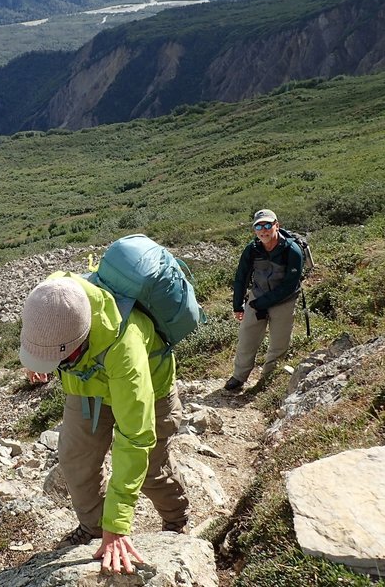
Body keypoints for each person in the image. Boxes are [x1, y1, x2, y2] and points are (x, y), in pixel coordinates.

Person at [19, 272, 189, 575]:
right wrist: (37, 356)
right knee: (74, 458)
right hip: (88, 386)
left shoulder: (125, 347)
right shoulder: (54, 295)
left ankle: (176, 520)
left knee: (149, 467)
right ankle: (92, 526)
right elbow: (44, 327)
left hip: (150, 387)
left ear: (79, 342)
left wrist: (118, 525)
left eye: (60, 359)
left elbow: (135, 438)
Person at [224, 209, 304, 392]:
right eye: (259, 226)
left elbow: (289, 285)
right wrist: (238, 305)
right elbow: (241, 277)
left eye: (268, 225)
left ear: (277, 225)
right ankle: (239, 376)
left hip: (284, 301)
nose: (264, 230)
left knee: (278, 343)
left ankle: (267, 380)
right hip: (257, 297)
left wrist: (262, 304)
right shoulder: (252, 249)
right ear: (254, 230)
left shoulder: (292, 250)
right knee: (246, 338)